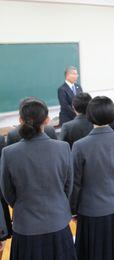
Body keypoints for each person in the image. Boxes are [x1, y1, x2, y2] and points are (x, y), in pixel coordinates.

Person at [0, 98, 76, 260]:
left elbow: (7, 193)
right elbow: (68, 187)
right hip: (58, 221)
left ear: (20, 120)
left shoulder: (9, 153)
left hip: (26, 225)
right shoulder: (63, 148)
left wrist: (22, 205)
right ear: (47, 120)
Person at [71, 96, 114, 260]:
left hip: (90, 209)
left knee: (93, 254)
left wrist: (73, 209)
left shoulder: (80, 145)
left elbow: (75, 183)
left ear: (89, 116)